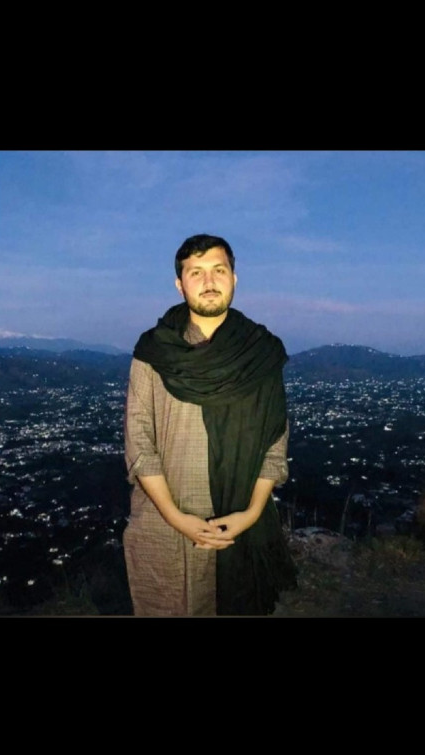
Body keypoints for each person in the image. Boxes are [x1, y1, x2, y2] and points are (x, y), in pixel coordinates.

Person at [123, 233, 297, 616]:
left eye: (218, 270)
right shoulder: (154, 350)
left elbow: (274, 441)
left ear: (234, 278)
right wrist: (176, 517)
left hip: (238, 518)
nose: (209, 281)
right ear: (179, 284)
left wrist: (251, 514)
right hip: (162, 519)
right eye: (196, 272)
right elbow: (139, 440)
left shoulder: (260, 353)